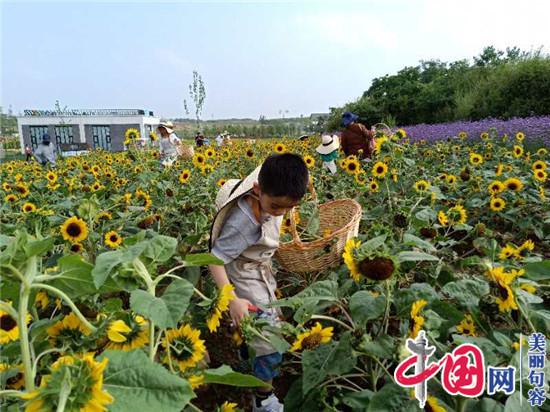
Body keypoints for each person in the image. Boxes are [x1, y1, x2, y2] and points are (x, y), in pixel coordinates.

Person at [209, 153, 309, 412]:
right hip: (244, 278)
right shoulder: (243, 223)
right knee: (268, 343)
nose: (282, 213)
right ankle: (263, 397)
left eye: (288, 207)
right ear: (256, 189)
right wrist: (231, 300)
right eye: (277, 207)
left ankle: (246, 354)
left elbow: (281, 208)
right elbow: (213, 259)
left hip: (260, 270)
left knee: (258, 329)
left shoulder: (274, 194)